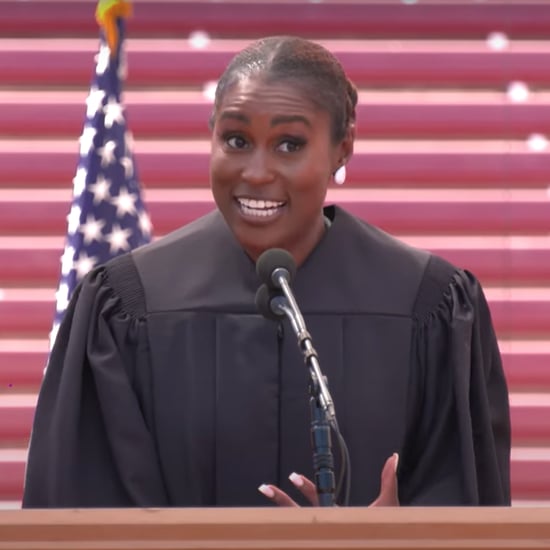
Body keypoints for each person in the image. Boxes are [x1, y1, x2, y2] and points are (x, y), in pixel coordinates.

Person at [22, 35, 510, 508]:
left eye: (289, 144)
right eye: (236, 139)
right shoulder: (127, 306)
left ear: (343, 147)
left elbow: (464, 503)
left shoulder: (429, 306)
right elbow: (87, 514)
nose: (255, 171)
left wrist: (391, 543)